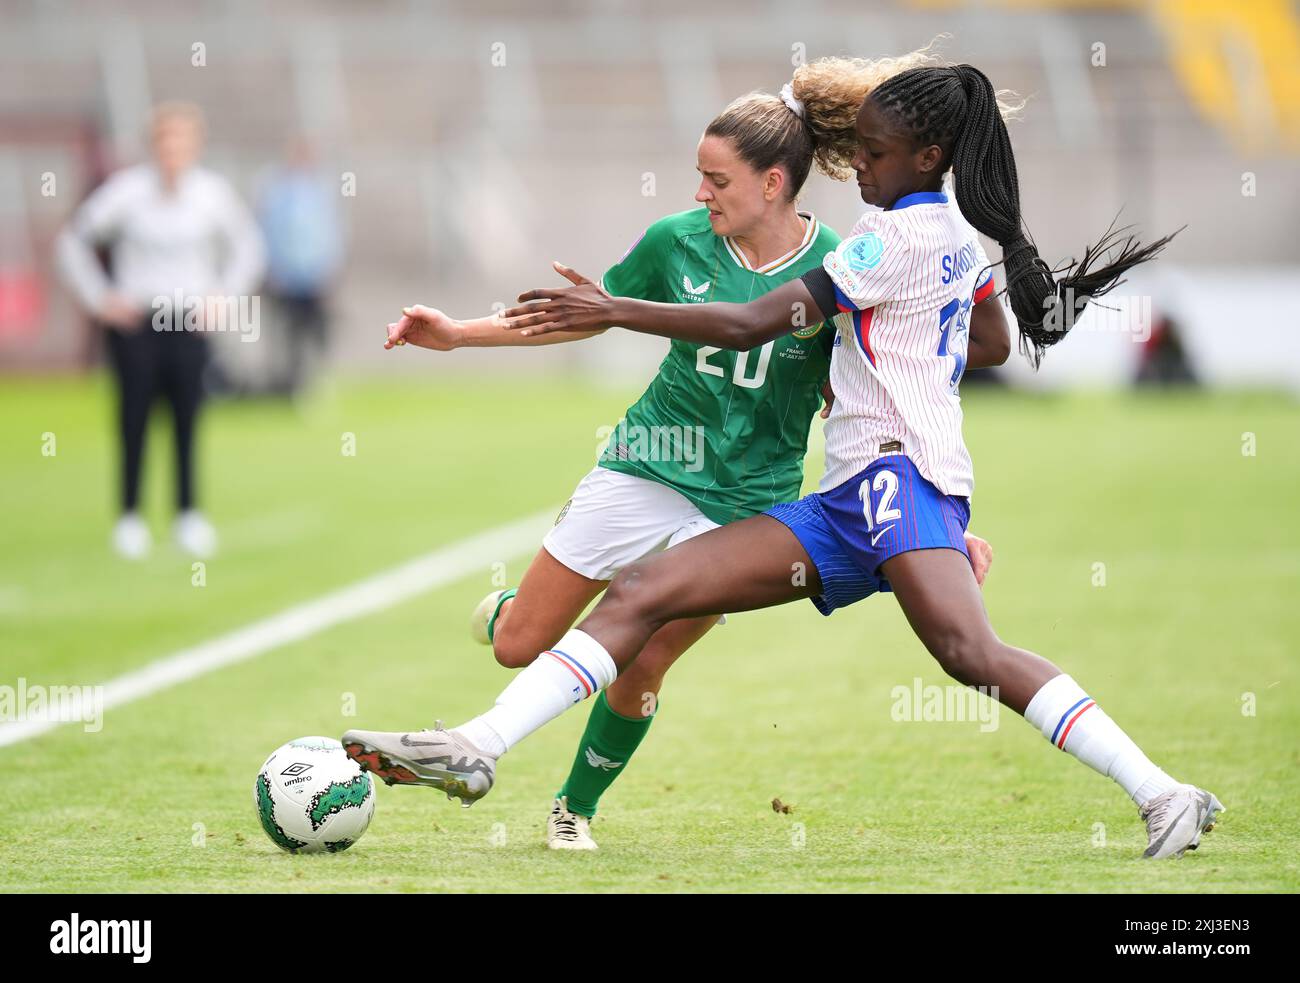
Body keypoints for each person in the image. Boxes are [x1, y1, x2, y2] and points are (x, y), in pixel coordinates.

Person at [345, 64, 1224, 861]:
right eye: (856, 152)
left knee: (969, 652)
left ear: (928, 153)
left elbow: (751, 322)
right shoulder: (949, 233)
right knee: (644, 593)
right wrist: (913, 367)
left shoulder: (881, 241)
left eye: (874, 156)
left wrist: (622, 313)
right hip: (851, 497)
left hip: (889, 486)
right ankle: (475, 748)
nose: (860, 171)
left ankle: (1162, 793)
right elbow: (986, 340)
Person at [373, 50, 995, 850]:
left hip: (746, 500)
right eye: (697, 176)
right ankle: (511, 614)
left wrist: (932, 522)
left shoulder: (841, 262)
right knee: (517, 646)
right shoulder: (676, 241)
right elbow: (589, 311)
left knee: (646, 651)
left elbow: (872, 385)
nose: (700, 194)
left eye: (717, 179)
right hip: (647, 463)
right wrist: (459, 335)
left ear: (774, 183)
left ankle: (574, 809)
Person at [57, 101, 265, 559]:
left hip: (187, 322)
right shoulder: (127, 193)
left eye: (182, 141)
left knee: (187, 417)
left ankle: (188, 514)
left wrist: (223, 298)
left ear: (195, 146)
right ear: (154, 145)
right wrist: (100, 299)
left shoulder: (211, 193)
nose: (173, 151)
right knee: (133, 418)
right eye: (165, 141)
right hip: (139, 322)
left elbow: (248, 247)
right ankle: (129, 516)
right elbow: (73, 240)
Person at [258, 136, 344, 396]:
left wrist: (329, 271)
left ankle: (315, 381)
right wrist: (272, 269)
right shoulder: (276, 192)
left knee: (316, 331)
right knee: (286, 333)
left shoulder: (321, 193)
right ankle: (286, 384)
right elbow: (267, 232)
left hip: (313, 277)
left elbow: (332, 235)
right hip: (286, 278)